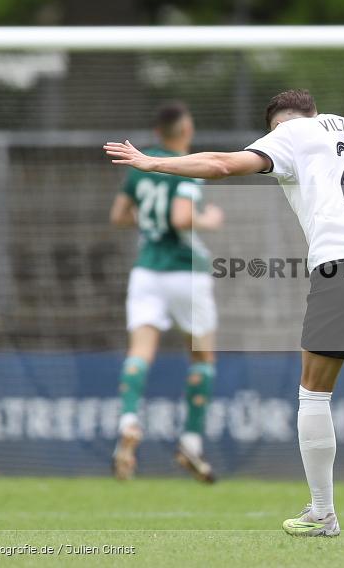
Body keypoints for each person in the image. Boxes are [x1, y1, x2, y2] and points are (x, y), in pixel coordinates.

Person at [104, 89, 344, 536]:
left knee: (314, 394)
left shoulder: (290, 134)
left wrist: (155, 163)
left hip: (340, 265)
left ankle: (323, 513)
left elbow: (222, 165)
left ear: (279, 124)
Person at [108, 101, 224, 483]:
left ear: (157, 132)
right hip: (185, 272)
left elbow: (118, 216)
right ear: (187, 130)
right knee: (202, 356)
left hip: (146, 270)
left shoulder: (139, 167)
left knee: (140, 351)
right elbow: (181, 218)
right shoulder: (187, 166)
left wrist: (148, 220)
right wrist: (208, 219)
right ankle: (190, 441)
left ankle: (128, 421)